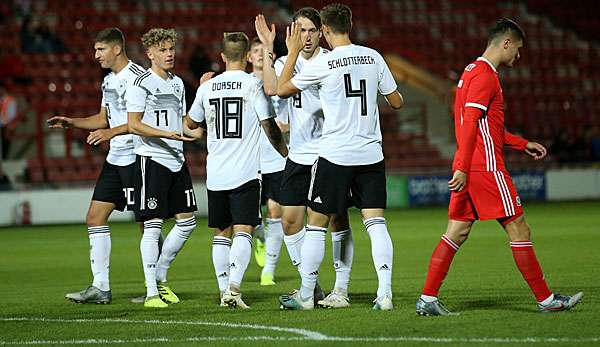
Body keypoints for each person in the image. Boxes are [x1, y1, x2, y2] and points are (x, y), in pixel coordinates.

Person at [415, 18, 583, 316]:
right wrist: (465, 168)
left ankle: (427, 298)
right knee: (520, 228)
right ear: (505, 43)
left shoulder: (470, 72)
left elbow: (479, 126)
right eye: (516, 49)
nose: (517, 57)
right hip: (485, 169)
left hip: (470, 165)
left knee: (457, 232)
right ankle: (546, 300)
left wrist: (521, 143)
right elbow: (470, 131)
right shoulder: (487, 77)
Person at [275, 3, 403, 310]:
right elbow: (397, 101)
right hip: (371, 153)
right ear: (351, 23)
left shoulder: (326, 64)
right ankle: (384, 294)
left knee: (317, 224)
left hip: (335, 155)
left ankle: (306, 295)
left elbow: (281, 90)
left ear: (326, 30)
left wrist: (291, 52)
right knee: (376, 223)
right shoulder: (373, 57)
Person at [255, 8, 355, 308]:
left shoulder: (330, 61)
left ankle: (341, 288)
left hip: (329, 153)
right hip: (298, 155)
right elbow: (271, 88)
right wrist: (271, 49)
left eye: (311, 30)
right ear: (293, 33)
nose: (306, 36)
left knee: (337, 219)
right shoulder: (287, 62)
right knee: (289, 222)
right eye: (300, 30)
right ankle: (311, 285)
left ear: (321, 32)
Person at [187, 32, 288, 309]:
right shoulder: (253, 85)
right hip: (245, 172)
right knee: (244, 229)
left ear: (222, 57)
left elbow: (190, 124)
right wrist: (286, 154)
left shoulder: (207, 88)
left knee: (221, 232)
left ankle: (223, 291)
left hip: (216, 173)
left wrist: (200, 88)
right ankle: (233, 288)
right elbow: (270, 127)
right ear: (246, 57)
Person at [47, 28, 145, 304]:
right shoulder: (108, 81)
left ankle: (156, 286)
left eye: (100, 49)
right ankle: (100, 287)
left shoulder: (138, 78)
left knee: (146, 224)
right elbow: (104, 119)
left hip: (137, 157)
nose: (96, 55)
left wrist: (113, 132)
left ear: (116, 49)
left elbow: (141, 121)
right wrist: (73, 122)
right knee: (94, 218)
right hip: (115, 159)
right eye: (95, 50)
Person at [126, 28, 201, 308]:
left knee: (188, 221)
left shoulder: (178, 84)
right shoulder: (140, 83)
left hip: (176, 159)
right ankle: (151, 292)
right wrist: (164, 134)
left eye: (171, 48)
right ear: (150, 54)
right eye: (163, 50)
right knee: (153, 226)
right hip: (152, 159)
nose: (169, 54)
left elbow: (181, 122)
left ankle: (159, 275)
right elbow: (133, 124)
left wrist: (194, 132)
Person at [247, 37, 287, 286]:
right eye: (255, 51)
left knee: (276, 211)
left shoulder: (280, 82)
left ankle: (268, 272)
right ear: (249, 57)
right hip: (250, 159)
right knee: (252, 218)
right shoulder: (243, 84)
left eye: (264, 50)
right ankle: (258, 236)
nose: (260, 54)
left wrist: (287, 127)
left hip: (276, 159)